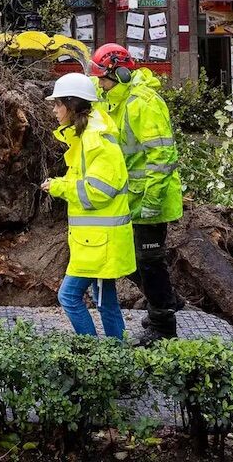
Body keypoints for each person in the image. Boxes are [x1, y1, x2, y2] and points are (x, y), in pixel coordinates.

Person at [91, 44, 183, 343]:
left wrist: (152, 203)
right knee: (130, 258)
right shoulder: (116, 98)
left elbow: (163, 156)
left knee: (148, 260)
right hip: (132, 198)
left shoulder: (143, 103)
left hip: (151, 199)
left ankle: (163, 326)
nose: (101, 85)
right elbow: (94, 87)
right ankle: (166, 299)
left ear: (119, 73)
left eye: (103, 79)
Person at [41, 72, 135, 340]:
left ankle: (93, 352)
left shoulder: (95, 138)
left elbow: (98, 191)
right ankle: (115, 354)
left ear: (72, 105)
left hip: (99, 243)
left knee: (68, 296)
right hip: (96, 241)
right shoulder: (88, 134)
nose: (55, 110)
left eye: (58, 104)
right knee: (106, 301)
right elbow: (85, 178)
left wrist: (59, 188)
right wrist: (61, 182)